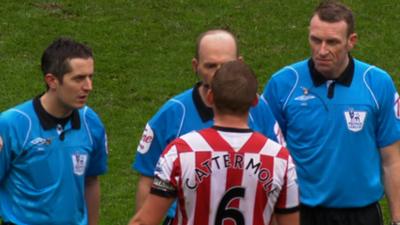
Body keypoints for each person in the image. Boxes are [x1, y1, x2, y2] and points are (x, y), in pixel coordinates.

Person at [263, 1, 400, 225]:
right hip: (300, 213)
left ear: (351, 41)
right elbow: (267, 156)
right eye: (316, 40)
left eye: (332, 42)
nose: (322, 50)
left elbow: (392, 159)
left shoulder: (377, 83)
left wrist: (398, 218)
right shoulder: (283, 83)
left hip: (361, 215)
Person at [132, 29, 284, 224]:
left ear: (240, 64)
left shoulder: (260, 109)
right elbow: (147, 180)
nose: (219, 74)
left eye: (226, 65)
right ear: (196, 66)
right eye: (211, 66)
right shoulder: (172, 115)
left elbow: (277, 181)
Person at [0, 37, 108, 225]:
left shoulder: (91, 122)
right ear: (52, 81)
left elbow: (91, 181)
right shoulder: (13, 124)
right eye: (79, 78)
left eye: (91, 77)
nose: (88, 87)